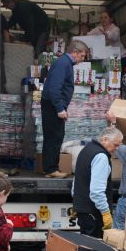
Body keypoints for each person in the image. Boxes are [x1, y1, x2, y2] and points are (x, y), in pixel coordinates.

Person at [41, 40, 89, 178]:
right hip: (52, 105)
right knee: (55, 137)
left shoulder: (65, 63)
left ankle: (49, 168)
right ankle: (51, 169)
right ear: (74, 53)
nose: (82, 59)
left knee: (53, 137)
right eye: (82, 56)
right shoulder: (63, 63)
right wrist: (60, 109)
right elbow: (54, 88)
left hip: (52, 104)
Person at [72, 127, 124, 238]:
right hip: (94, 214)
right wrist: (105, 213)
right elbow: (96, 191)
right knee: (95, 250)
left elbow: (76, 181)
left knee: (85, 247)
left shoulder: (86, 150)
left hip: (84, 211)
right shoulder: (101, 157)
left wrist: (78, 203)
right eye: (116, 145)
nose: (117, 149)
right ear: (105, 139)